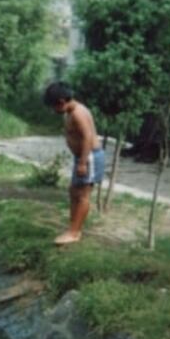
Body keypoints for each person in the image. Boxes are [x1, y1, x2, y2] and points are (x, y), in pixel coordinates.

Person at [43, 81, 105, 245]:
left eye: (53, 106)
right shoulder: (70, 112)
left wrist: (83, 163)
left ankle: (74, 233)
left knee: (82, 195)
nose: (53, 110)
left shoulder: (78, 113)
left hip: (89, 157)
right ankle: (73, 227)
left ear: (62, 102)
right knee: (74, 192)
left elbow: (87, 138)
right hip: (82, 157)